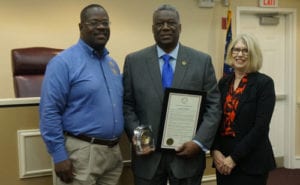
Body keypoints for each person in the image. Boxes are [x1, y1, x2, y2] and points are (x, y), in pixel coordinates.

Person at [123, 4, 221, 185]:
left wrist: (199, 142)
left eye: (171, 23)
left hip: (187, 157)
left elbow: (214, 106)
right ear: (153, 29)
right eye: (160, 24)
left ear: (180, 27)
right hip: (147, 158)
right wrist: (138, 137)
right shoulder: (134, 61)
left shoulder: (201, 61)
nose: (166, 27)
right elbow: (127, 105)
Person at [39, 4, 123, 185]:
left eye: (105, 23)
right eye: (94, 22)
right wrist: (59, 155)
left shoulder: (112, 64)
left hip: (113, 153)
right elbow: (49, 111)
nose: (101, 27)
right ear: (81, 27)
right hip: (82, 154)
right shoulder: (63, 62)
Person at [211, 33, 276, 185]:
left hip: (251, 160)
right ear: (231, 52)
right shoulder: (224, 82)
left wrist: (234, 158)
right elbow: (214, 118)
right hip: (223, 159)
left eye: (245, 50)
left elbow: (260, 127)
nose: (240, 54)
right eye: (236, 49)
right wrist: (215, 150)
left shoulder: (264, 83)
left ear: (253, 54)